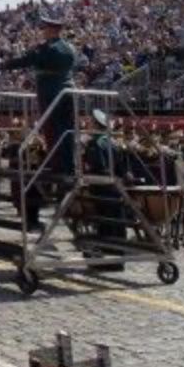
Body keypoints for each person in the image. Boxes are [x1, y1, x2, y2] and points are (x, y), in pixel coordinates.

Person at [1, 15, 79, 174]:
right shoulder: (70, 47)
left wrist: (4, 64)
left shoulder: (47, 48)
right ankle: (69, 166)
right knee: (66, 130)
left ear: (52, 30)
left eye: (44, 28)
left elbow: (27, 60)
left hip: (50, 92)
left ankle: (58, 167)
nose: (42, 31)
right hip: (68, 91)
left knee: (51, 130)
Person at [82, 109, 126, 272]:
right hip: (116, 187)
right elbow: (122, 169)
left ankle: (108, 260)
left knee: (105, 224)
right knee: (117, 224)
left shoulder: (95, 143)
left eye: (90, 123)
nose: (88, 125)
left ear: (95, 124)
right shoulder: (113, 142)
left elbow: (97, 167)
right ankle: (118, 258)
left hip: (102, 188)